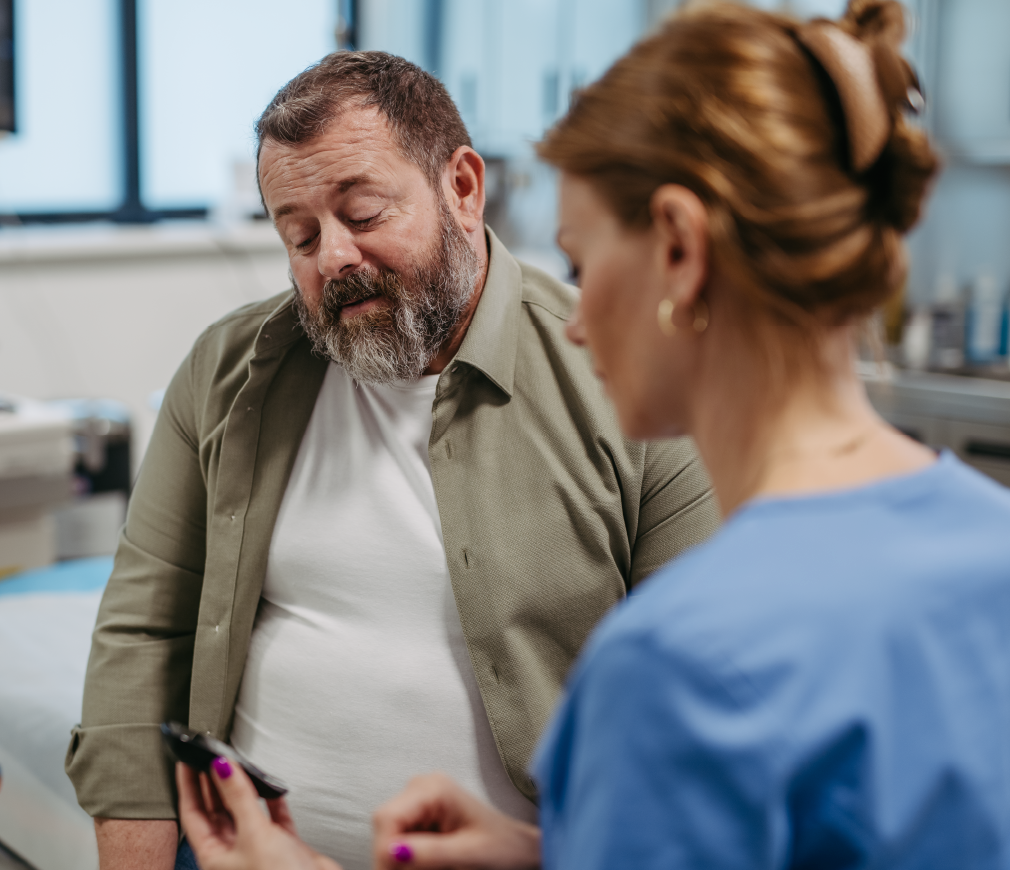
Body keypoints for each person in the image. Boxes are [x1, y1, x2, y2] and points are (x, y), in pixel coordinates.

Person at [176, 1, 1010, 868]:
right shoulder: (990, 547)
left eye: (580, 261)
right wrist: (549, 850)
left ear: (680, 253)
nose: (571, 323)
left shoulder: (674, 663)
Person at [66, 51, 718, 870]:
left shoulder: (628, 385)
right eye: (299, 235)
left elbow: (700, 721)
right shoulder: (228, 371)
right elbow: (144, 632)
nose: (332, 257)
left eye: (364, 212)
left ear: (464, 189)